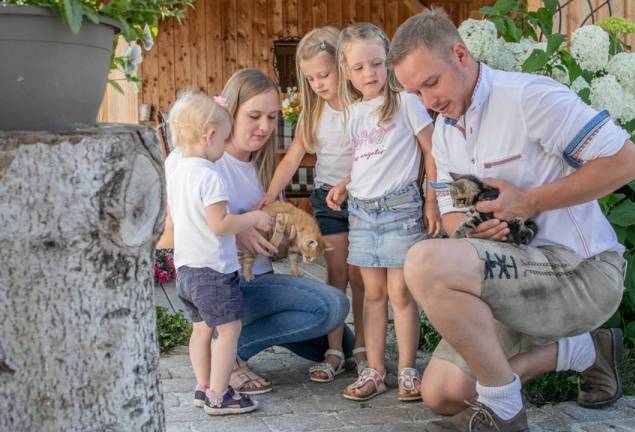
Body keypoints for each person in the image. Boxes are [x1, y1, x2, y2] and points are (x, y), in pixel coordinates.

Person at [389, 9, 635, 431]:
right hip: (517, 276)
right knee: (442, 394)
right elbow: (454, 217)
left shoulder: (528, 96)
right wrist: (479, 230)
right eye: (416, 93)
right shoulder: (445, 131)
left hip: (583, 273)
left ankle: (504, 410)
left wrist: (529, 203)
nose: (428, 102)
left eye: (431, 83)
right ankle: (585, 352)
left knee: (422, 262)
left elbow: (629, 162)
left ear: (460, 54)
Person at [166, 69, 354, 396]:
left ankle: (231, 339)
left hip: (261, 281)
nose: (265, 127)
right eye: (254, 116)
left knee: (343, 344)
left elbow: (275, 247)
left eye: (272, 117)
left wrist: (285, 240)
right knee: (333, 306)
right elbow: (167, 234)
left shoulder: (265, 168)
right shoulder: (194, 160)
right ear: (230, 113)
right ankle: (229, 353)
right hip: (223, 282)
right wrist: (234, 228)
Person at [325, 22, 440, 402]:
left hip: (400, 210)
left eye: (376, 64)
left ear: (388, 62)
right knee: (372, 294)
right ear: (347, 71)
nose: (369, 74)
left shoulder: (406, 102)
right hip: (361, 213)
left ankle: (408, 369)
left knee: (400, 293)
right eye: (358, 68)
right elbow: (367, 160)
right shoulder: (355, 113)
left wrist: (432, 199)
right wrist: (345, 183)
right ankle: (374, 371)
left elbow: (429, 151)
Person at [260, 26, 367, 382]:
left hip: (366, 199)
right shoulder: (315, 112)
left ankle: (364, 349)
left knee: (362, 278)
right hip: (328, 202)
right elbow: (291, 159)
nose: (318, 83)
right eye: (311, 78)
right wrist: (270, 195)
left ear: (342, 65)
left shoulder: (363, 108)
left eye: (324, 75)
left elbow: (376, 158)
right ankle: (335, 350)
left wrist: (350, 184)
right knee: (336, 276)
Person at [166, 91, 272, 415]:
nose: (225, 148)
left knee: (201, 329)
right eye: (224, 140)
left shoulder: (179, 171)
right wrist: (253, 218)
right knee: (229, 331)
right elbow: (220, 224)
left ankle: (202, 388)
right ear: (209, 136)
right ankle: (220, 393)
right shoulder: (210, 176)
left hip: (185, 270)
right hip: (213, 270)